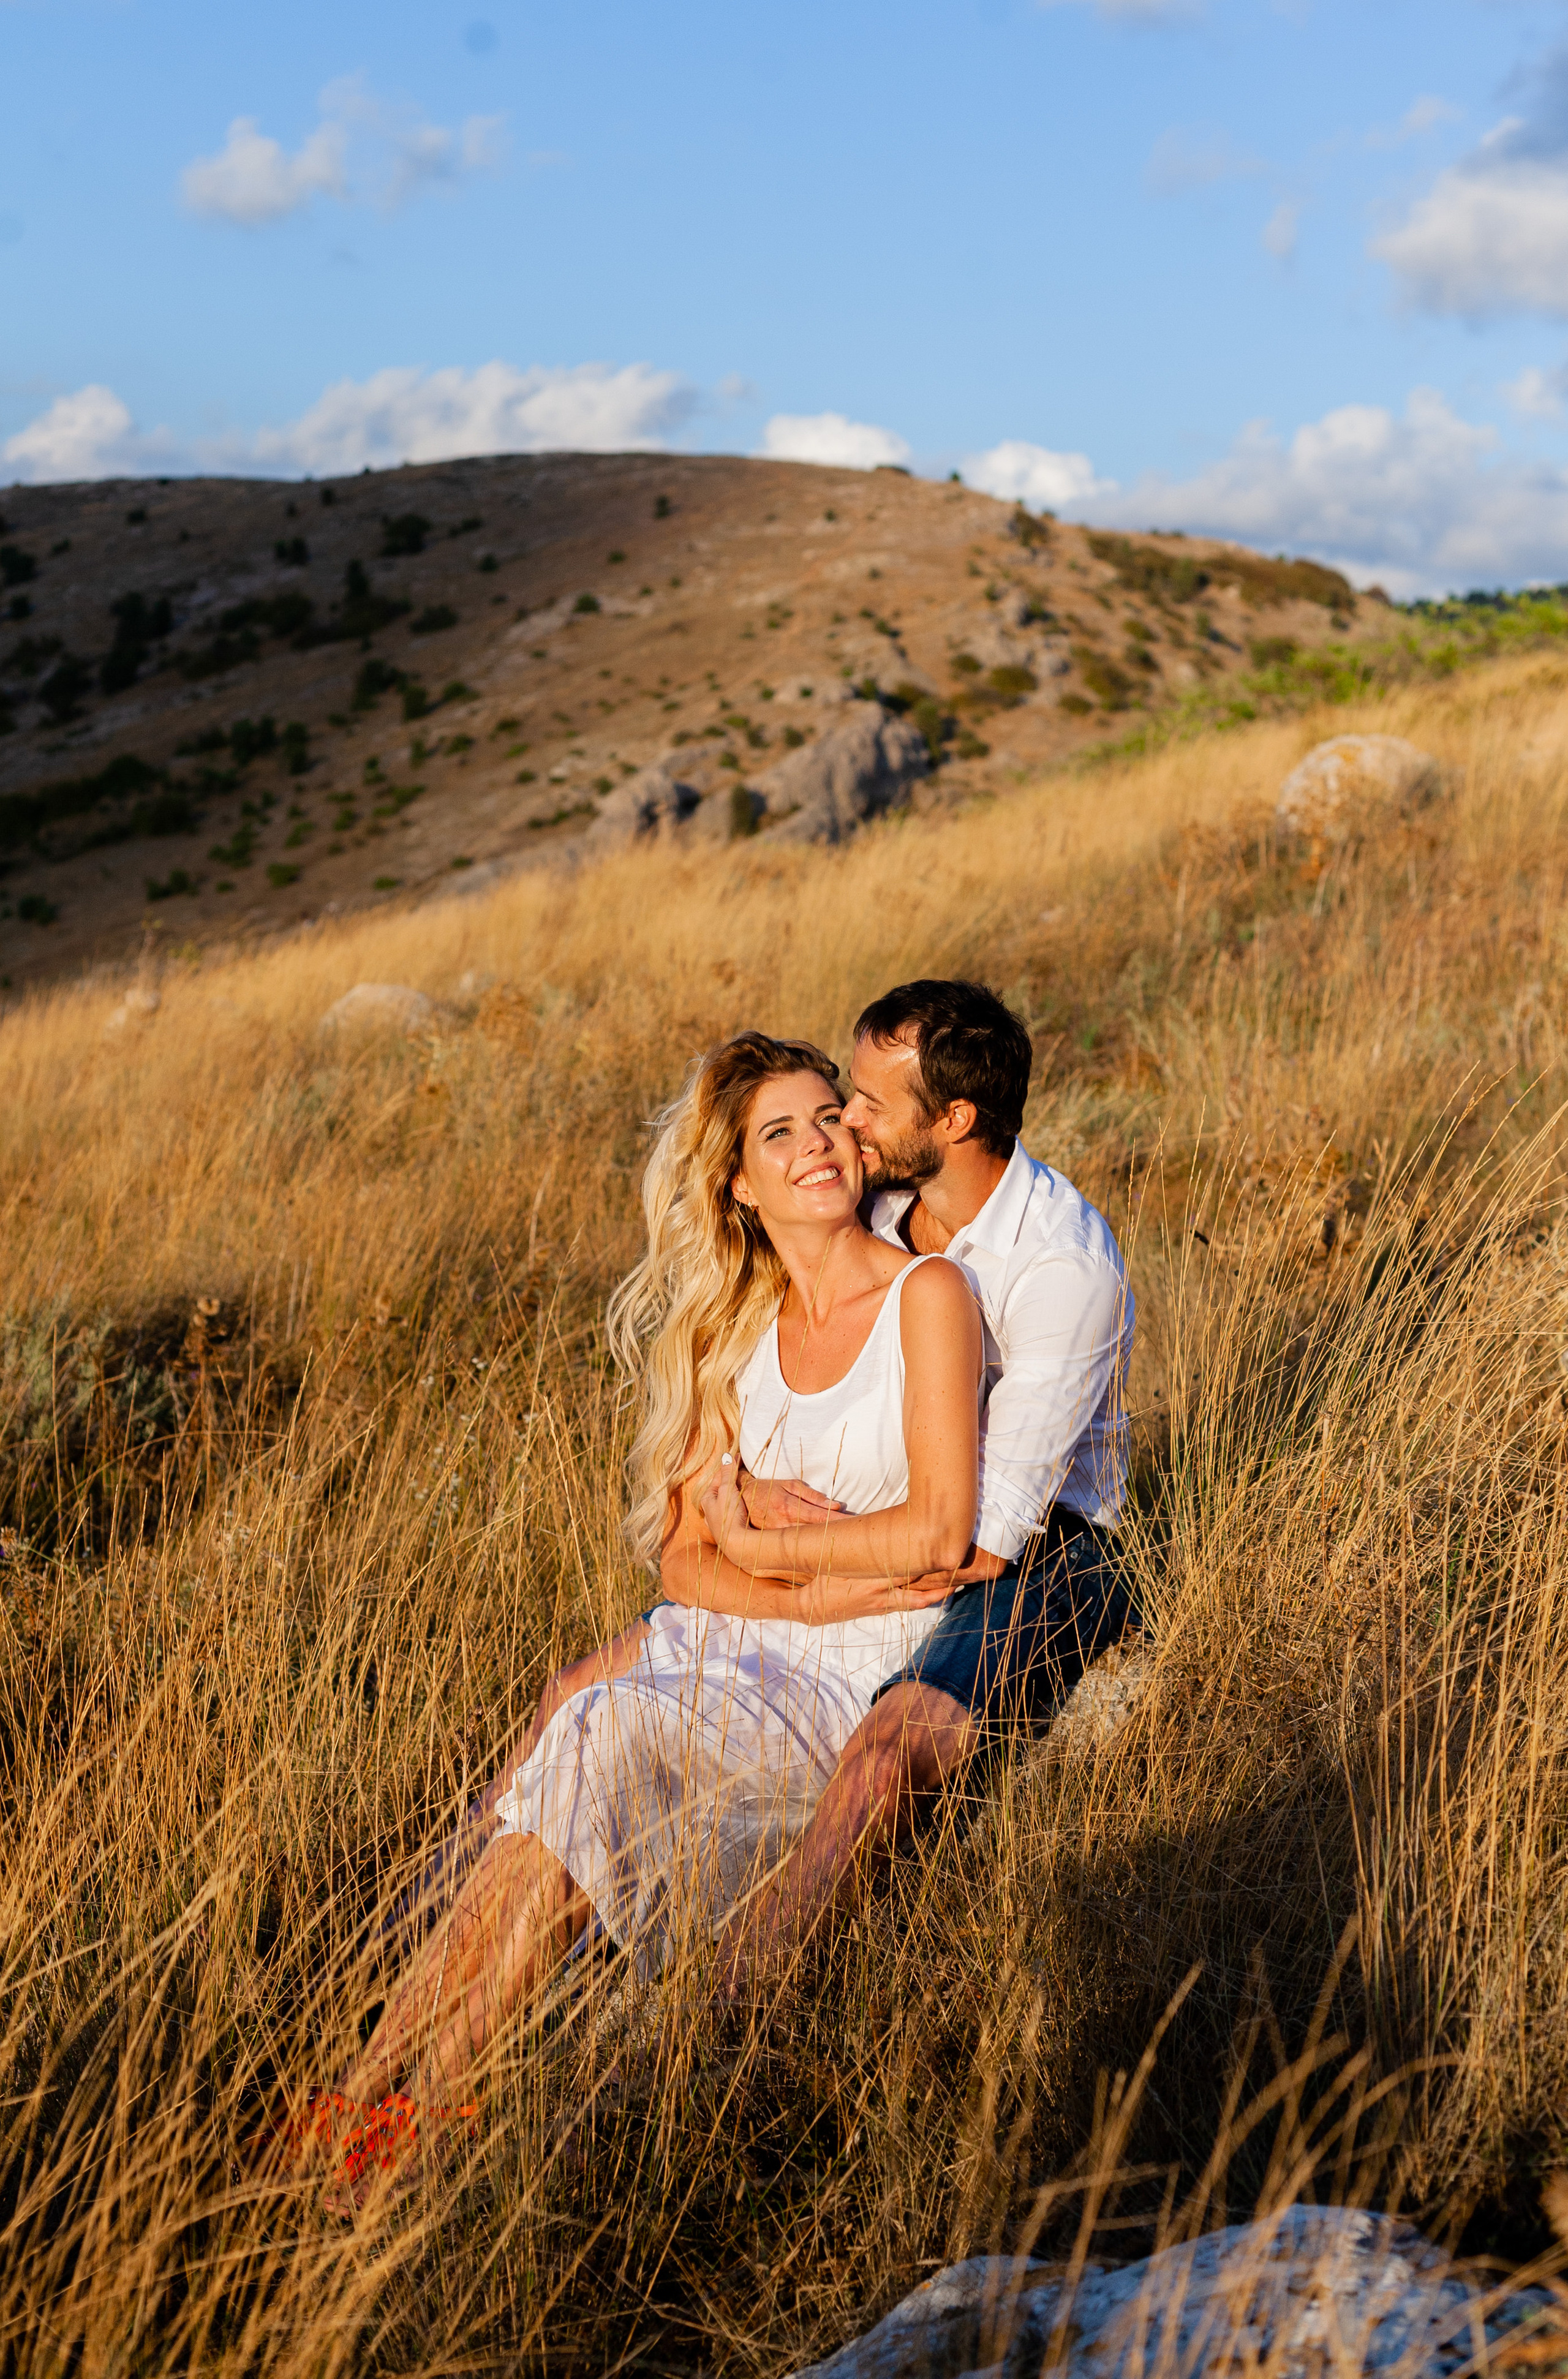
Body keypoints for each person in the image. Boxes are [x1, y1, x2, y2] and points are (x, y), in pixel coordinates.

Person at [309, 1030, 982, 2205]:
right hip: (730, 1644)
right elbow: (682, 1567)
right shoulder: (737, 1324)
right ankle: (364, 2107)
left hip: (840, 1678)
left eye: (830, 1116)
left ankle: (399, 2128)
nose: (820, 1144)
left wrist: (759, 1547)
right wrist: (786, 1568)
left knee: (591, 1736)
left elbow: (937, 1531)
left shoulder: (926, 1295)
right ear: (738, 1180)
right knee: (575, 1762)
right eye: (782, 1133)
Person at [716, 978, 1136, 1981]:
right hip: (901, 1513)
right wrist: (743, 1492)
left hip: (1052, 1547)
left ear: (952, 1119)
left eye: (865, 1104)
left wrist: (776, 1557)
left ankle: (741, 2006)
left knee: (884, 1758)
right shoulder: (886, 1201)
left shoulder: (1060, 1270)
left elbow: (980, 1540)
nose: (843, 1122)